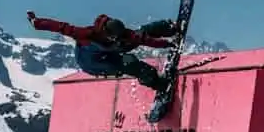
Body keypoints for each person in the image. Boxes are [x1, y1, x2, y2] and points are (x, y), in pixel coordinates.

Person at [26, 11, 179, 91]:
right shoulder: (87, 34)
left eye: (118, 37)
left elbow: (142, 39)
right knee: (130, 62)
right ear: (106, 33)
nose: (116, 39)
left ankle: (169, 27)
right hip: (93, 62)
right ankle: (158, 84)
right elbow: (60, 26)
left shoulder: (122, 34)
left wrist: (166, 44)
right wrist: (37, 23)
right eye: (114, 38)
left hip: (109, 52)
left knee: (142, 32)